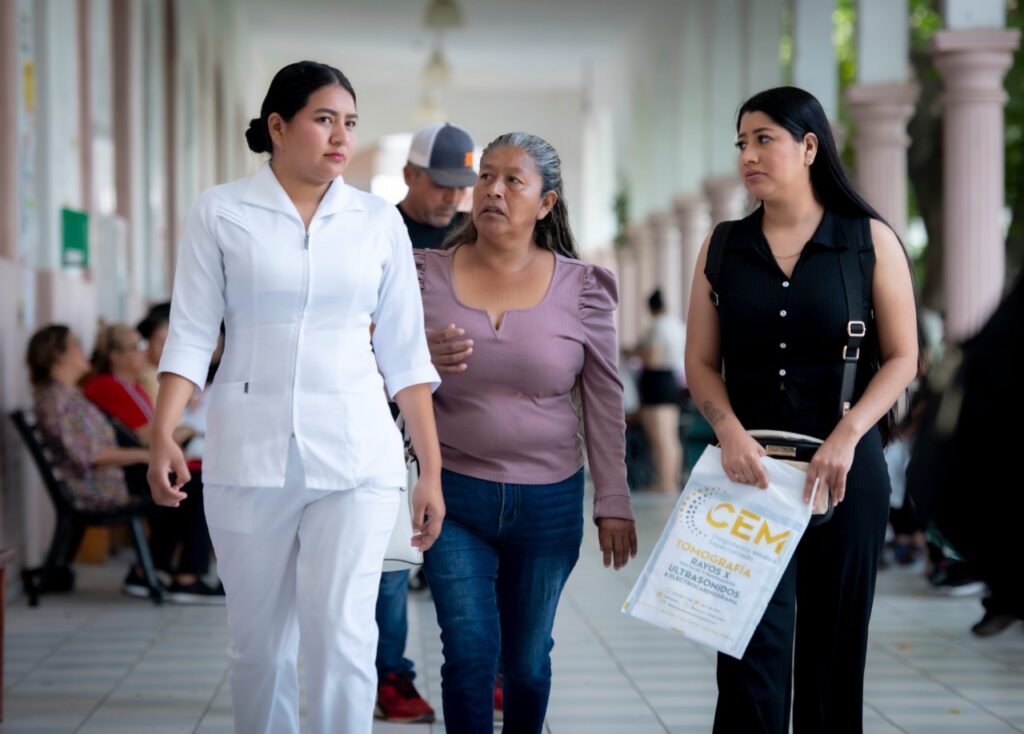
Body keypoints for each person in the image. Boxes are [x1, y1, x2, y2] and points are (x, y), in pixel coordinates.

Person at [147, 61, 444, 734]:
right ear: (277, 126)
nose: (341, 137)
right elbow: (191, 333)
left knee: (343, 639)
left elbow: (406, 356)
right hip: (249, 453)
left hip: (357, 454)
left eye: (350, 123)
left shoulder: (375, 223)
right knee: (259, 648)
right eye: (323, 119)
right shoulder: (221, 211)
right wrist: (163, 431)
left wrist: (428, 470)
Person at [684, 86, 918, 733]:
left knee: (833, 657)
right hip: (746, 475)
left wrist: (847, 435)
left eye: (765, 139)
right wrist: (728, 433)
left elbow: (904, 356)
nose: (749, 155)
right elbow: (700, 361)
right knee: (748, 660)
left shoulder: (866, 241)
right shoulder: (724, 246)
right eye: (741, 143)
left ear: (810, 146)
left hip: (845, 475)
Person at [416, 131, 638, 733]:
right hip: (452, 496)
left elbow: (602, 396)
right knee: (468, 654)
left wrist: (614, 500)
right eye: (486, 176)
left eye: (514, 180)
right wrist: (413, 354)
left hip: (549, 501)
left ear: (546, 203)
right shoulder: (421, 276)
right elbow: (370, 362)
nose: (493, 189)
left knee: (527, 662)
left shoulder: (582, 287)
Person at [375, 121, 477, 725]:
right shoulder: (379, 233)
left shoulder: (475, 237)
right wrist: (410, 353)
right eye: (441, 184)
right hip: (393, 423)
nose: (453, 198)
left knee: (467, 560)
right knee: (396, 554)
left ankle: (480, 669)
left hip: (464, 419)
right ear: (410, 175)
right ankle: (392, 676)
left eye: (461, 185)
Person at [84, 322, 221, 603]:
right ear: (115, 356)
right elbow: (148, 435)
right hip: (130, 472)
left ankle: (149, 570)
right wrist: (190, 430)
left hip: (137, 467)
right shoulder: (109, 386)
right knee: (200, 487)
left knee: (194, 483)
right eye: (136, 347)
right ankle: (188, 577)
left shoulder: (131, 385)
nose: (143, 352)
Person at [26, 325, 150, 594]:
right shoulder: (56, 400)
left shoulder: (68, 395)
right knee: (189, 488)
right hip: (98, 488)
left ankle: (162, 570)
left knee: (186, 485)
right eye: (76, 344)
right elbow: (90, 456)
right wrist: (144, 454)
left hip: (105, 480)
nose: (84, 350)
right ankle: (180, 575)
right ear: (57, 354)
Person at [638, 288, 686, 493]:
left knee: (660, 437)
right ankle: (671, 481)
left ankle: (665, 482)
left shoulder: (656, 327)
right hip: (671, 382)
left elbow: (652, 359)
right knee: (671, 437)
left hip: (657, 383)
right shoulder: (677, 325)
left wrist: (635, 352)